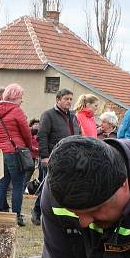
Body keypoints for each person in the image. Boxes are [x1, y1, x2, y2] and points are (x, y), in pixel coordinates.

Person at [33, 88, 79, 226]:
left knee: (67, 187)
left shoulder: (73, 116)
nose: (69, 101)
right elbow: (42, 136)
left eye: (71, 99)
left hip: (71, 158)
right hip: (53, 157)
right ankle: (37, 211)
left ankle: (60, 215)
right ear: (58, 100)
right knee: (49, 186)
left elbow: (78, 134)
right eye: (66, 99)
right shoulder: (48, 115)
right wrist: (44, 156)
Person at [0, 84, 32, 227]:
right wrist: (28, 146)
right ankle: (16, 215)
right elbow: (26, 132)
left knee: (2, 183)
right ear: (15, 97)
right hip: (16, 151)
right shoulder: (17, 111)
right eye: (21, 97)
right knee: (18, 185)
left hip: (1, 151)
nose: (22, 100)